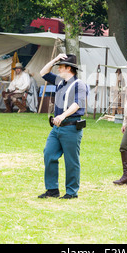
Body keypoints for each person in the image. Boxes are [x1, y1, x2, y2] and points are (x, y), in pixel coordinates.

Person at [38, 54, 87, 199]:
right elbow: (43, 73)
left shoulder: (79, 84)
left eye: (61, 66)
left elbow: (77, 103)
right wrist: (54, 59)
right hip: (57, 128)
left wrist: (63, 115)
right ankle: (52, 190)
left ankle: (71, 192)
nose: (58, 69)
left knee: (71, 161)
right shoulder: (60, 81)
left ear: (69, 68)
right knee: (49, 153)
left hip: (71, 126)